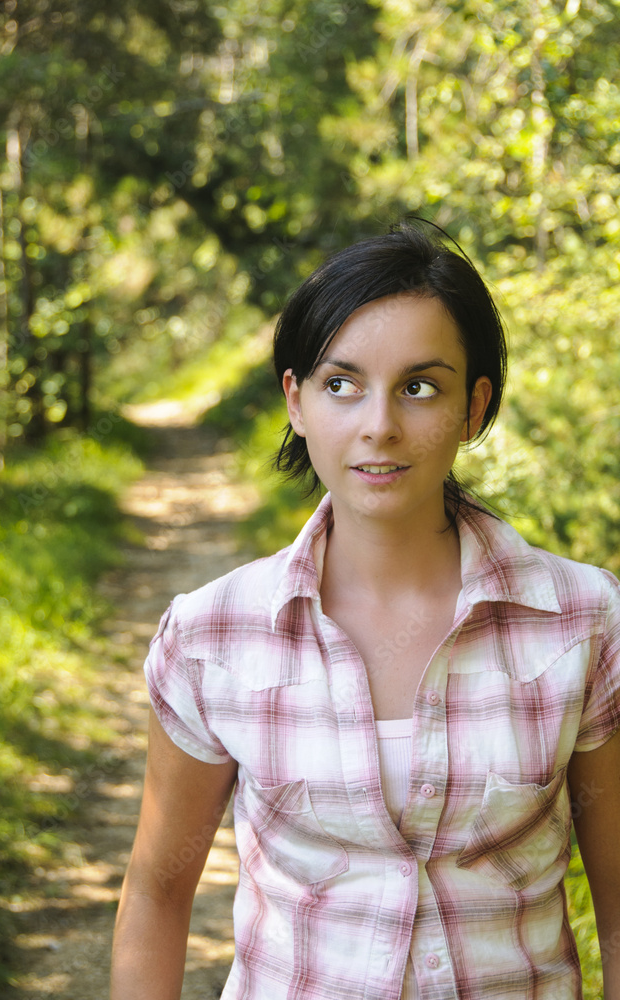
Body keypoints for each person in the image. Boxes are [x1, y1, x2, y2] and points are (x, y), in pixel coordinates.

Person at [110, 222, 620, 999]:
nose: (379, 424)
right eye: (342, 384)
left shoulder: (585, 622)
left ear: (474, 407)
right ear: (296, 401)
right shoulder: (212, 637)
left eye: (420, 386)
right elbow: (156, 891)